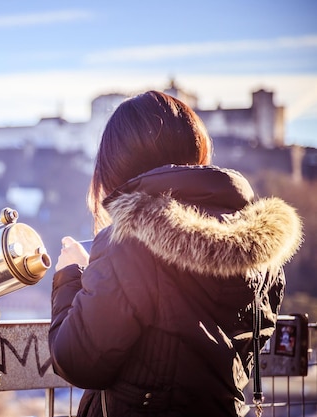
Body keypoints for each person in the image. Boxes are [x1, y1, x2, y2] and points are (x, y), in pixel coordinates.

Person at [49, 90, 303, 417]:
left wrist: (70, 275)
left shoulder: (128, 244)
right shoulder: (260, 249)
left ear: (117, 167)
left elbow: (77, 362)